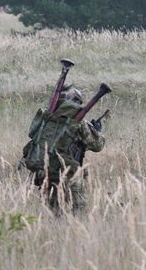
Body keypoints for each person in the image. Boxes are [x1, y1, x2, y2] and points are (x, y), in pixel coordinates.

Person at [21, 86, 105, 214]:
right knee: (79, 207)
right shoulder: (79, 122)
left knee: (53, 210)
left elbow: (32, 134)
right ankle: (78, 223)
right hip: (65, 169)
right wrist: (97, 131)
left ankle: (56, 224)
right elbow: (97, 146)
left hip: (42, 167)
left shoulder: (47, 115)